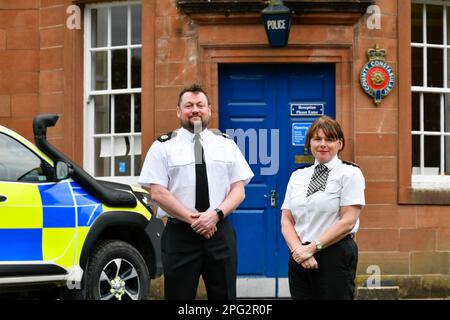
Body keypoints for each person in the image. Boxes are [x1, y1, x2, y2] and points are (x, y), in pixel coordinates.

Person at [139, 84, 254, 300]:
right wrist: (195, 220)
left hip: (219, 232)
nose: (195, 110)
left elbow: (238, 191)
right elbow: (157, 192)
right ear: (178, 111)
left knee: (226, 297)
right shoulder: (162, 146)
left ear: (209, 110)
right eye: (188, 105)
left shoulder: (226, 144)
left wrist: (215, 215)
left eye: (200, 105)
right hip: (180, 235)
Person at [281, 116, 365, 300]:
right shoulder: (298, 176)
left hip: (334, 253)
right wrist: (299, 251)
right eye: (317, 139)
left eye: (329, 139)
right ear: (309, 142)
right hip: (299, 256)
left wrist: (312, 248)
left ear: (340, 143)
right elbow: (286, 220)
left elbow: (348, 221)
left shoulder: (350, 173)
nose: (323, 144)